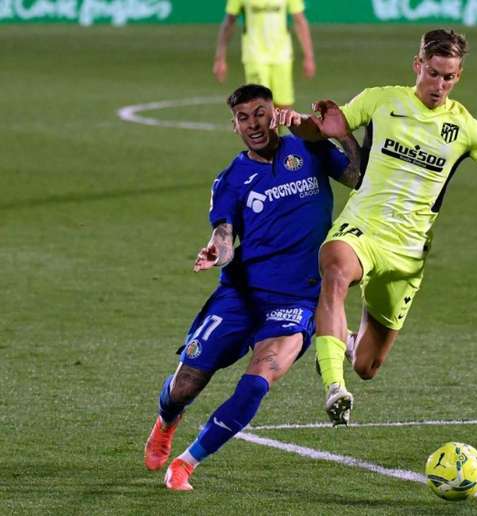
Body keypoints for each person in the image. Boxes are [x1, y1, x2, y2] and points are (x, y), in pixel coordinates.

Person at [295, 29, 477, 426]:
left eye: (449, 77)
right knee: (333, 272)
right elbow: (320, 129)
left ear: (459, 76)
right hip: (362, 228)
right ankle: (335, 389)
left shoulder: (466, 128)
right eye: (434, 73)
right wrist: (298, 122)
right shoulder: (381, 100)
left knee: (368, 366)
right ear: (417, 65)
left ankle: (346, 343)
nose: (439, 85)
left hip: (408, 254)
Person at [143, 84, 360, 491]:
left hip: (297, 299)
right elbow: (224, 235)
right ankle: (167, 419)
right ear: (235, 126)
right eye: (244, 118)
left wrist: (341, 133)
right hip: (241, 295)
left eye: (260, 113)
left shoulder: (308, 149)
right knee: (187, 382)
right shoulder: (231, 179)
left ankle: (187, 463)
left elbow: (356, 175)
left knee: (260, 375)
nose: (253, 124)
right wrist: (216, 252)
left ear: (274, 113)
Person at [212, 0, 316, 109]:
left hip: (282, 55)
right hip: (254, 55)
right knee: (260, 106)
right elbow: (229, 22)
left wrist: (309, 57)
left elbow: (299, 20)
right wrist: (220, 58)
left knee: (283, 108)